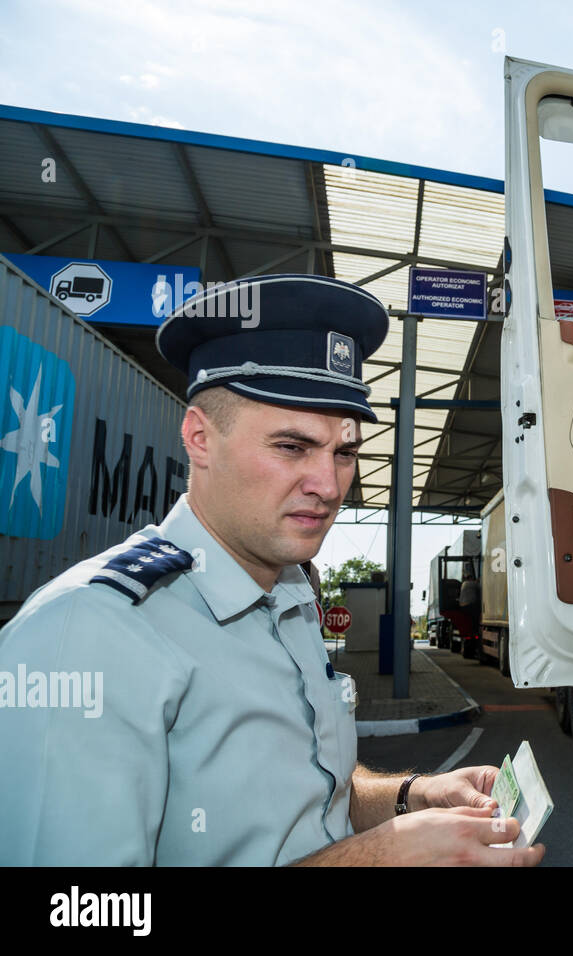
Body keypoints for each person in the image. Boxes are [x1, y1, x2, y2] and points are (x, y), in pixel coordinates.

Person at [0, 275, 544, 867]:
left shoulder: (291, 596)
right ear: (199, 438)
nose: (329, 485)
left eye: (344, 452)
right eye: (291, 447)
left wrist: (414, 796)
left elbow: (317, 795)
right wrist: (378, 861)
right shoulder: (86, 633)